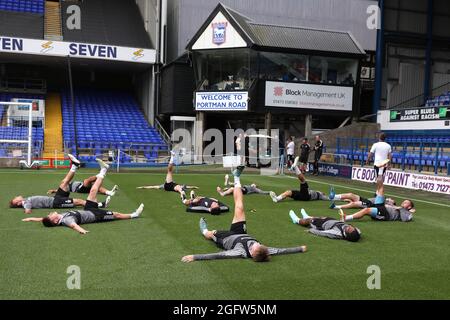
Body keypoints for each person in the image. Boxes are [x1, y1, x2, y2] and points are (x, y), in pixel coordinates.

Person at [181, 166, 307, 263]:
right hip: (240, 232)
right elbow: (282, 251)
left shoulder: (240, 252)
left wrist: (195, 257)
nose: (255, 243)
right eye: (258, 243)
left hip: (226, 238)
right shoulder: (264, 249)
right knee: (240, 207)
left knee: (209, 234)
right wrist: (300, 248)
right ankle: (236, 177)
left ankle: (204, 230)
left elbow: (218, 255)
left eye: (254, 246)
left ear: (251, 254)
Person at [22, 159, 144, 234]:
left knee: (93, 191)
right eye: (50, 215)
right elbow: (74, 226)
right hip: (96, 215)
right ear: (54, 220)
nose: (49, 214)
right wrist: (82, 231)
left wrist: (31, 219)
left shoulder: (58, 217)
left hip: (88, 210)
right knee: (116, 215)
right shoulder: (66, 220)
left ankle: (103, 170)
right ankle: (134, 215)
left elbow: (42, 219)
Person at [8, 154, 108, 214]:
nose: (17, 196)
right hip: (56, 203)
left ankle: (74, 166)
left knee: (64, 183)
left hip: (55, 199)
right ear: (17, 203)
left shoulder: (26, 200)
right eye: (15, 198)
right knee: (79, 201)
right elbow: (27, 210)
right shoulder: (25, 203)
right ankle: (99, 205)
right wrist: (26, 210)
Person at [339, 177, 415, 222]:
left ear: (409, 207)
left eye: (406, 203)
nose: (404, 202)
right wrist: (389, 201)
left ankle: (346, 218)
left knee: (366, 210)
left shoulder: (405, 212)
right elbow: (387, 203)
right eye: (405, 201)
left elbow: (406, 219)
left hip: (385, 214)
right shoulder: (396, 206)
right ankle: (380, 172)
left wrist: (406, 210)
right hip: (381, 207)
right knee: (380, 189)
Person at [288, 208, 361, 242]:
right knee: (318, 217)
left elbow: (323, 233)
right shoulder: (356, 232)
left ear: (347, 234)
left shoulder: (337, 233)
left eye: (349, 229)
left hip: (321, 225)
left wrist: (311, 230)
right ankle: (306, 216)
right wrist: (342, 219)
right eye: (351, 227)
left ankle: (297, 220)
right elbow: (356, 230)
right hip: (331, 220)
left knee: (309, 221)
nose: (349, 226)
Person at [328, 188, 396, 210]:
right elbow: (376, 193)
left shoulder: (385, 205)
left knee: (353, 204)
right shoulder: (383, 198)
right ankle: (334, 196)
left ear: (391, 203)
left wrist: (391, 204)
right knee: (351, 194)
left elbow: (395, 207)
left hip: (369, 204)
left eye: (392, 200)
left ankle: (335, 207)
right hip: (366, 200)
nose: (391, 199)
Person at [47, 176, 117, 196]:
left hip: (83, 186)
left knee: (97, 187)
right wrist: (53, 190)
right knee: (87, 180)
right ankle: (100, 174)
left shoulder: (71, 182)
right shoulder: (66, 187)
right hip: (80, 189)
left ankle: (109, 192)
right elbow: (60, 191)